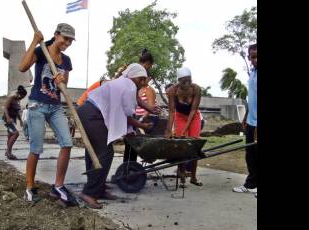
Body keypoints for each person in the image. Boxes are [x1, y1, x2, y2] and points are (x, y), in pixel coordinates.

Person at [77, 63, 153, 209]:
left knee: (94, 151)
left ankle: (98, 189)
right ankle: (89, 192)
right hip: (93, 114)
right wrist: (142, 126)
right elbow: (126, 115)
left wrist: (148, 108)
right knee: (105, 152)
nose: (143, 83)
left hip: (88, 112)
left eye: (144, 80)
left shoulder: (123, 83)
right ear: (132, 76)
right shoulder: (129, 85)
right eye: (140, 79)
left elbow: (132, 105)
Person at [18, 23, 78, 206]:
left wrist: (61, 81)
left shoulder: (66, 60)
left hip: (55, 107)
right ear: (56, 35)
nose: (67, 43)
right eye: (64, 38)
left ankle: (58, 186)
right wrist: (35, 41)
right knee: (36, 148)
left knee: (67, 143)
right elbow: (22, 67)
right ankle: (29, 188)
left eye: (70, 40)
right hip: (37, 105)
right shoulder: (41, 51)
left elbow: (64, 84)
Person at [164, 67, 203, 187]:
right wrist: (168, 130)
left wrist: (186, 130)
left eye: (189, 81)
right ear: (178, 81)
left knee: (194, 145)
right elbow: (171, 112)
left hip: (194, 117)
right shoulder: (172, 91)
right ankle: (181, 176)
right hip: (180, 117)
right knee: (181, 146)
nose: (186, 84)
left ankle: (193, 177)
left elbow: (193, 110)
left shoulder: (196, 89)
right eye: (183, 81)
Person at [233, 44, 257, 198]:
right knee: (250, 155)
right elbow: (252, 99)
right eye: (252, 57)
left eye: (257, 56)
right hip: (251, 121)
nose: (255, 60)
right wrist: (246, 116)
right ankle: (251, 184)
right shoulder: (253, 73)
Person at [2, 85, 27, 160]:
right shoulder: (11, 98)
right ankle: (9, 153)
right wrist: (8, 117)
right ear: (20, 94)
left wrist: (20, 120)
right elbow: (5, 108)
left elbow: (17, 112)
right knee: (16, 133)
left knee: (10, 135)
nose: (23, 98)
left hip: (13, 120)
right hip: (6, 119)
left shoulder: (17, 100)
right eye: (23, 96)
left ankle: (8, 152)